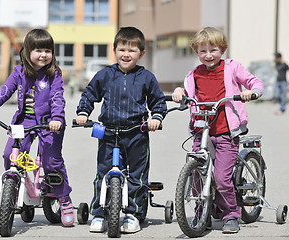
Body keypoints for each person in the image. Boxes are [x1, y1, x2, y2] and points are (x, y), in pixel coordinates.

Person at [0, 29, 74, 227]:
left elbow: (57, 98)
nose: (44, 55)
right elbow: (3, 93)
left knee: (51, 162)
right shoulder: (19, 72)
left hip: (49, 122)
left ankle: (63, 198)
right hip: (24, 121)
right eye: (38, 50)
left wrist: (57, 118)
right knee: (9, 155)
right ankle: (13, 190)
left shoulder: (53, 74)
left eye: (48, 50)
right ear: (27, 51)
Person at [75, 26, 167, 234]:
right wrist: (83, 112)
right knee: (103, 174)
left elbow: (158, 101)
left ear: (141, 53)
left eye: (132, 50)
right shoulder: (105, 75)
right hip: (108, 132)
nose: (126, 54)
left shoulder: (146, 77)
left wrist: (156, 118)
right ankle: (99, 213)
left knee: (137, 176)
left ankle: (133, 214)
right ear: (114, 50)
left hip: (136, 133)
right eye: (122, 49)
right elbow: (90, 94)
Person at [171, 27, 263, 234]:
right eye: (203, 51)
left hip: (225, 131)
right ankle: (201, 210)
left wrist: (252, 91)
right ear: (197, 53)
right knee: (196, 172)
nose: (208, 55)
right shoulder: (195, 73)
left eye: (213, 50)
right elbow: (186, 89)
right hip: (201, 129)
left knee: (221, 178)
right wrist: (178, 91)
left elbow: (253, 82)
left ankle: (231, 213)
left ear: (222, 49)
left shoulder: (231, 68)